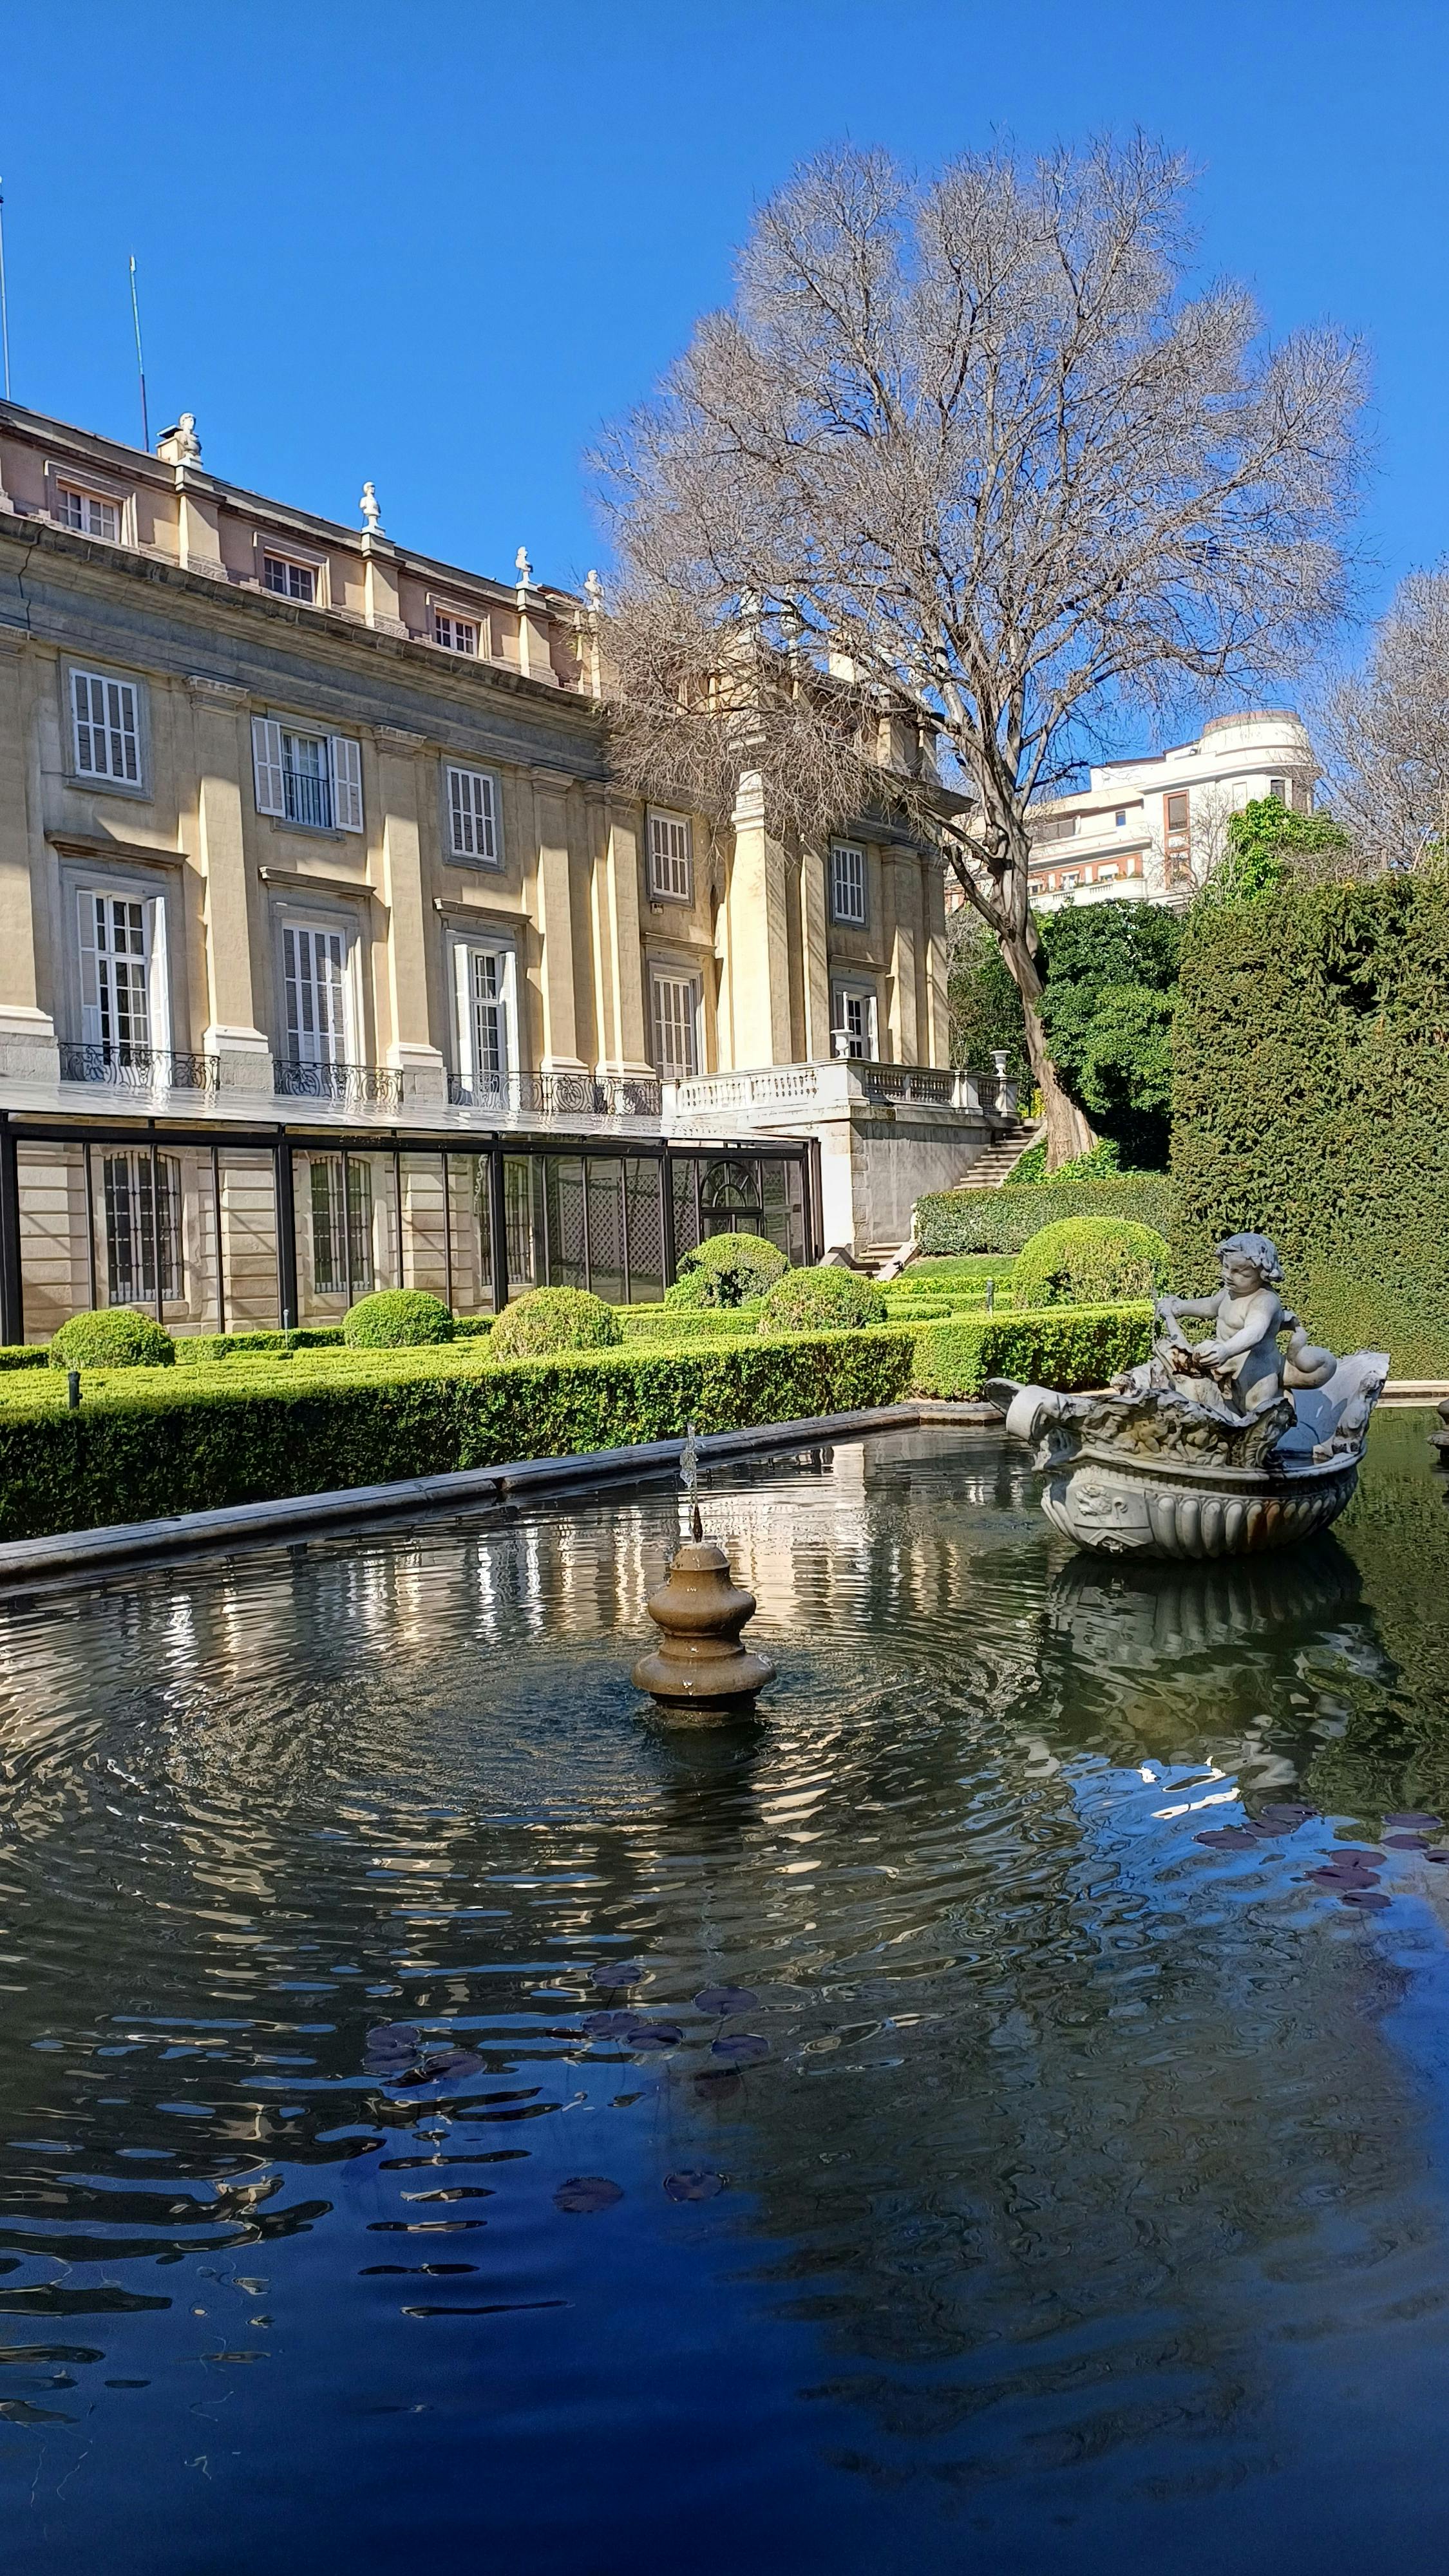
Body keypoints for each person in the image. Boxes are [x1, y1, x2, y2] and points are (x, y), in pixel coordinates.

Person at [1155, 1233, 1288, 1414]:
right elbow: (1210, 1307)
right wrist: (1179, 1307)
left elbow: (1255, 1330)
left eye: (1240, 1272)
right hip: (1223, 1361)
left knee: (1256, 1411)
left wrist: (1226, 1350)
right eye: (1226, 1267)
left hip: (1254, 1366)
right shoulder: (1229, 1293)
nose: (1228, 1276)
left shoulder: (1265, 1300)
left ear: (1263, 1275)